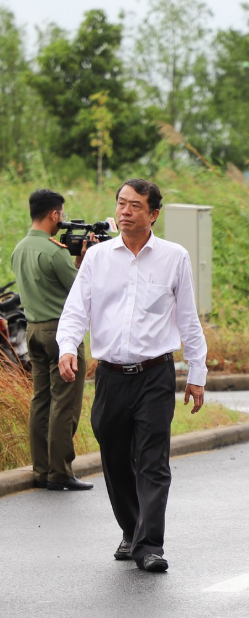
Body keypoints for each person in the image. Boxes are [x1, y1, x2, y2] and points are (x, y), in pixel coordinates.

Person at [57, 178, 207, 573]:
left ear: (153, 214)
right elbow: (76, 310)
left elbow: (187, 318)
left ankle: (150, 545)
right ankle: (131, 528)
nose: (125, 211)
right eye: (121, 203)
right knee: (115, 456)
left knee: (153, 461)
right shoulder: (98, 257)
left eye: (135, 205)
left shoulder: (174, 257)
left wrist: (197, 371)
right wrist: (67, 347)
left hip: (155, 374)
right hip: (110, 376)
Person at [10, 189, 91, 491]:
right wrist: (83, 260)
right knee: (65, 402)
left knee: (41, 400)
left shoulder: (19, 249)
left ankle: (42, 470)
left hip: (33, 330)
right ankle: (60, 472)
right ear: (54, 214)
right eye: (62, 214)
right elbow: (81, 290)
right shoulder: (55, 252)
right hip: (61, 333)